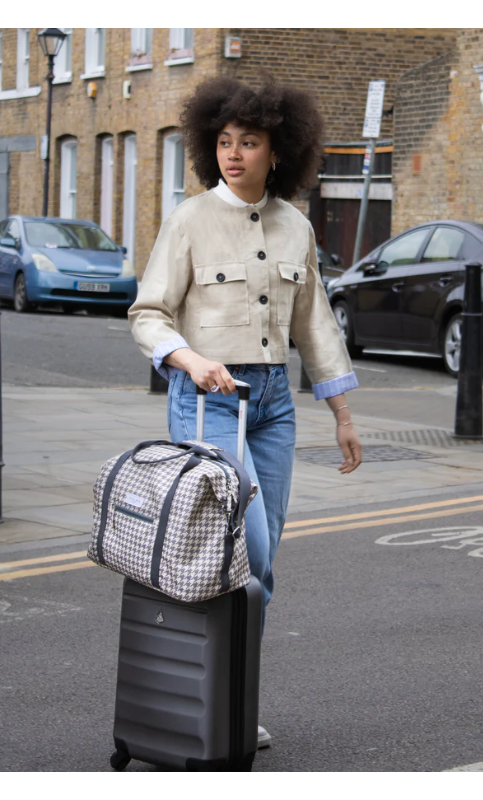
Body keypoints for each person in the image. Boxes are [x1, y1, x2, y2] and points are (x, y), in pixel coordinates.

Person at [128, 76, 362, 750]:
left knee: (261, 569)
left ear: (277, 151)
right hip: (208, 405)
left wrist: (342, 414)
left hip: (274, 408)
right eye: (225, 142)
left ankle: (232, 701)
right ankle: (205, 695)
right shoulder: (190, 219)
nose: (234, 154)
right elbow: (148, 312)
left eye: (249, 142)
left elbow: (316, 327)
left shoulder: (296, 227)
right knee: (240, 552)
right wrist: (188, 359)